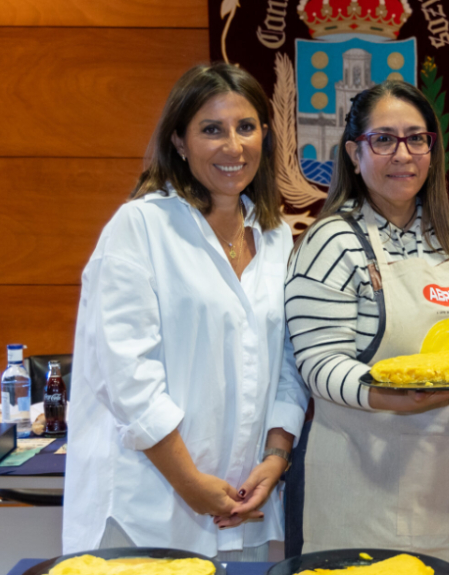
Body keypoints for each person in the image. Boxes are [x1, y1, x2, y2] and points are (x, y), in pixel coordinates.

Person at [63, 63, 308, 560]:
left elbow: (289, 359)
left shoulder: (277, 234)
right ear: (178, 141)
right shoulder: (139, 227)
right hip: (148, 507)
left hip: (244, 504)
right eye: (211, 130)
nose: (233, 147)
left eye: (246, 128)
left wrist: (276, 456)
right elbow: (127, 376)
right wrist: (189, 481)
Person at [285, 80, 449, 563]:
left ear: (432, 148)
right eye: (383, 139)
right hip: (367, 488)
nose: (402, 154)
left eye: (416, 138)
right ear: (353, 152)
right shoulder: (330, 243)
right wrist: (390, 394)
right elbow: (317, 362)